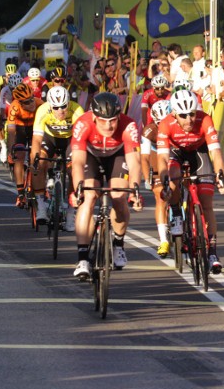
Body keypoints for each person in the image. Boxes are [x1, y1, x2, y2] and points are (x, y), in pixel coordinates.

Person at [70, 93, 143, 279]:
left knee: (119, 196)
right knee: (88, 198)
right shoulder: (82, 124)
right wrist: (78, 188)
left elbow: (134, 163)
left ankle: (118, 245)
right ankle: (83, 258)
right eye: (103, 121)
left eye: (113, 120)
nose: (109, 126)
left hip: (117, 156)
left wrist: (135, 190)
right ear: (94, 117)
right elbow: (77, 162)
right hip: (91, 157)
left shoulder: (129, 126)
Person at [157, 90, 224, 274]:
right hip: (176, 153)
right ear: (174, 114)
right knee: (173, 177)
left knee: (206, 203)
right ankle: (176, 215)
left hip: (199, 152)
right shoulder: (166, 124)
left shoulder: (204, 120)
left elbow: (215, 152)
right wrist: (164, 179)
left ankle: (212, 252)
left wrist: (220, 175)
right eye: (183, 115)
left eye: (192, 113)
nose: (189, 119)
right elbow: (162, 158)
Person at [30, 86, 84, 228]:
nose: (60, 111)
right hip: (50, 139)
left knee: (75, 169)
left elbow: (82, 140)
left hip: (71, 140)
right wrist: (35, 160)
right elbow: (36, 139)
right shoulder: (42, 110)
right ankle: (41, 206)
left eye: (64, 106)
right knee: (38, 162)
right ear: (49, 105)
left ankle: (71, 213)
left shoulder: (77, 110)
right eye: (56, 107)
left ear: (69, 102)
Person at [141, 100, 173, 257]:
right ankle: (163, 240)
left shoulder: (177, 124)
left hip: (174, 156)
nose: (163, 126)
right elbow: (144, 158)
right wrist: (148, 178)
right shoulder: (149, 130)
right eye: (159, 123)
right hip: (157, 157)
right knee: (160, 196)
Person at [6, 83, 41, 205]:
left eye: (31, 99)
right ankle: (20, 193)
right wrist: (11, 149)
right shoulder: (14, 107)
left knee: (38, 156)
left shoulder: (39, 103)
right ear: (20, 103)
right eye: (26, 102)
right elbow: (11, 132)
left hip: (35, 129)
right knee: (19, 156)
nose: (31, 103)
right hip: (20, 129)